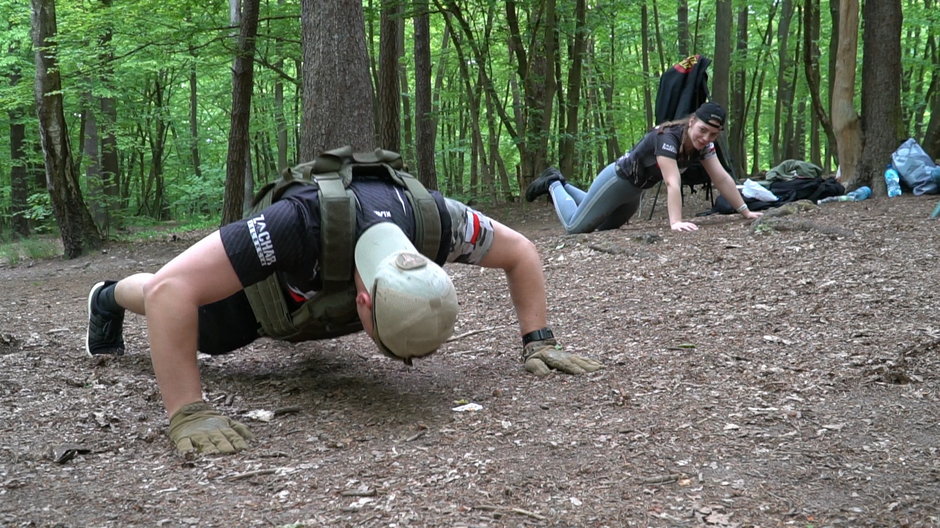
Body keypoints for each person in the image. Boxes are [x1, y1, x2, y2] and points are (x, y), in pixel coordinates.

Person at [86, 153, 604, 455]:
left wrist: (538, 340)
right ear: (361, 301)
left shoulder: (438, 223)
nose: (404, 366)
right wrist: (188, 412)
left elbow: (521, 251)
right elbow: (171, 291)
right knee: (186, 314)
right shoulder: (299, 223)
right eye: (394, 348)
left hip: (317, 288)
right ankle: (108, 295)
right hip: (263, 300)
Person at [525, 101, 762, 233]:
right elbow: (671, 181)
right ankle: (554, 182)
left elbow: (721, 178)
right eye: (702, 130)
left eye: (713, 134)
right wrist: (675, 222)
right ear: (691, 122)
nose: (706, 137)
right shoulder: (668, 138)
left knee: (603, 228)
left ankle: (565, 185)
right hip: (617, 180)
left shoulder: (704, 146)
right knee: (575, 227)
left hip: (634, 193)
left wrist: (745, 211)